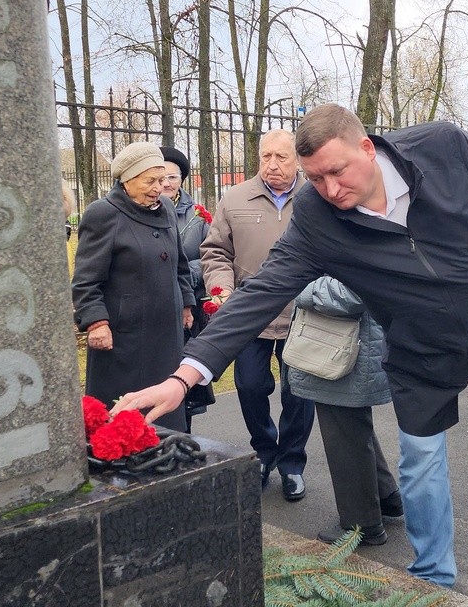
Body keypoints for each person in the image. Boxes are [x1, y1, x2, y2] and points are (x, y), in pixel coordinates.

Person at [114, 104, 468, 607]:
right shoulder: (318, 216)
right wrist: (185, 375)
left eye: (337, 172)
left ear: (367, 148)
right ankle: (432, 584)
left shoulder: (443, 147)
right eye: (315, 179)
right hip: (419, 349)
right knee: (421, 462)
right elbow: (263, 290)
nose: (331, 190)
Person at [199, 129, 315, 502]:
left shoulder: (316, 197)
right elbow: (215, 252)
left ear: (297, 159)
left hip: (304, 314)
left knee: (299, 393)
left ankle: (292, 464)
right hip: (251, 313)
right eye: (266, 157)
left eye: (281, 157)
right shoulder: (235, 198)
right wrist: (222, 289)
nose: (272, 165)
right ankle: (264, 452)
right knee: (249, 386)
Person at [71, 142, 196, 432]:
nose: (159, 187)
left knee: (166, 410)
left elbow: (179, 262)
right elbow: (85, 279)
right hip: (123, 338)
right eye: (150, 181)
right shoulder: (103, 213)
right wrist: (96, 322)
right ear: (127, 180)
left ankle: (169, 456)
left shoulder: (164, 206)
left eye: (162, 179)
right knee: (122, 417)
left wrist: (186, 302)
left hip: (166, 334)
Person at [285, 275, 402, 546]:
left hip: (345, 346)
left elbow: (356, 292)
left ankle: (361, 524)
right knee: (351, 427)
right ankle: (385, 497)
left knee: (344, 435)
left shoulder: (358, 232)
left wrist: (300, 286)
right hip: (347, 344)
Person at [160, 146, 215, 430]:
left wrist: (179, 272)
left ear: (182, 178)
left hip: (188, 307)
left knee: (184, 377)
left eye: (173, 176)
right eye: (162, 176)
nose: (167, 183)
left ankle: (185, 433)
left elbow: (212, 258)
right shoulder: (146, 210)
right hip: (155, 307)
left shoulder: (197, 217)